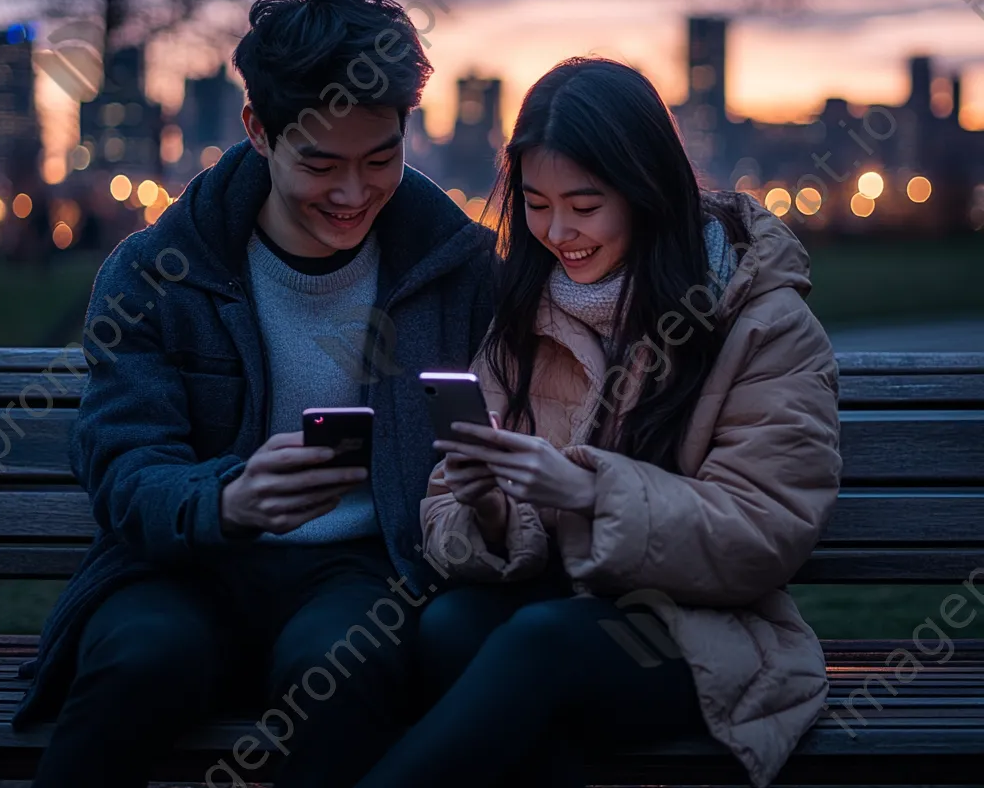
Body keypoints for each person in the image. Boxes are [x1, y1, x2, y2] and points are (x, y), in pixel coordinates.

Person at [15, 0, 497, 788]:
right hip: (186, 563)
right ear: (259, 130)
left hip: (362, 567)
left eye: (381, 159)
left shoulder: (457, 269)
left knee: (340, 671)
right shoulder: (159, 270)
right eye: (321, 164)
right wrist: (227, 501)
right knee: (141, 661)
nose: (353, 193)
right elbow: (123, 467)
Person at [355, 57, 842, 788]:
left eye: (585, 206)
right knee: (449, 628)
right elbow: (445, 511)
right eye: (537, 203)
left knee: (542, 644)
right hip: (557, 615)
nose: (557, 231)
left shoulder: (762, 324)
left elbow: (764, 533)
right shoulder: (524, 316)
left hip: (709, 635)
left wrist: (589, 493)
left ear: (648, 191)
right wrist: (487, 508)